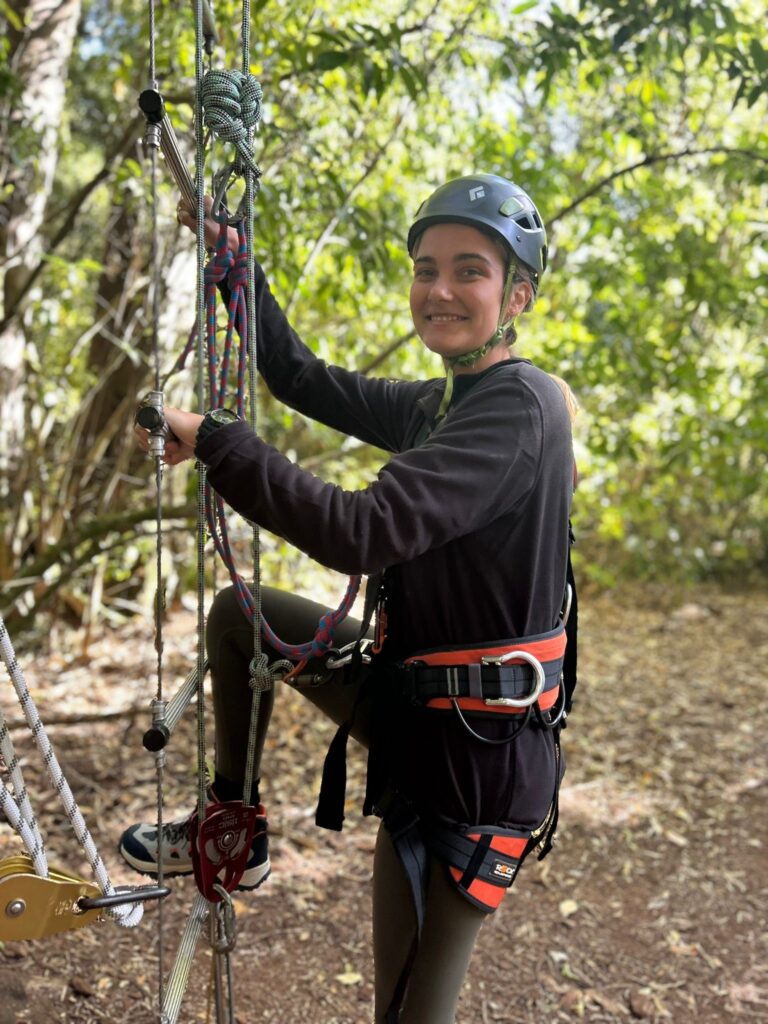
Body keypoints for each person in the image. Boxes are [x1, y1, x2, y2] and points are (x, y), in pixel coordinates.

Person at [121, 173, 576, 1023]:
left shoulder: (522, 407)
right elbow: (298, 377)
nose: (438, 289)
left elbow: (362, 532)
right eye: (424, 266)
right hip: (414, 715)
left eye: (468, 270)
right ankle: (234, 829)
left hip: (479, 766)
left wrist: (221, 443)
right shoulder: (440, 404)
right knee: (241, 616)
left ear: (517, 293)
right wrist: (236, 272)